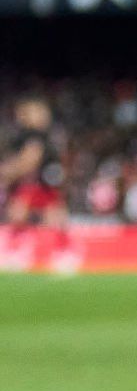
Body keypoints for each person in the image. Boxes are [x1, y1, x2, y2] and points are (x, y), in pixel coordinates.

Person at [3, 97, 78, 275]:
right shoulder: (43, 134)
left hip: (37, 181)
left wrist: (7, 172)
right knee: (39, 215)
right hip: (42, 180)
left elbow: (30, 159)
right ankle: (62, 252)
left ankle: (62, 252)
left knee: (25, 213)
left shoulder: (33, 135)